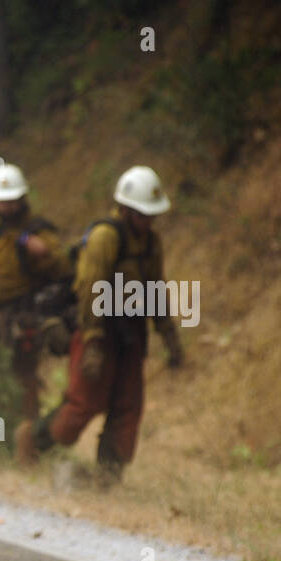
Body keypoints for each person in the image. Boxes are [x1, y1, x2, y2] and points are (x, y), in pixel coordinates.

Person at [19, 165, 184, 482]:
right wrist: (92, 341)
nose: (148, 221)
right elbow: (90, 289)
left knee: (128, 406)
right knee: (83, 404)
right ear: (125, 209)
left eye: (152, 215)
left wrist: (170, 337)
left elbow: (156, 290)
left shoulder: (151, 242)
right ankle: (33, 445)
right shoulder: (105, 237)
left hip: (131, 335)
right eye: (142, 214)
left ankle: (107, 477)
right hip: (98, 329)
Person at [0, 163, 70, 433]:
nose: (6, 207)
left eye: (11, 201)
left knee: (24, 375)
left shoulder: (36, 229)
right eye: (1, 201)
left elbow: (62, 265)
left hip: (24, 314)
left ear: (21, 199)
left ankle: (28, 436)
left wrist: (43, 252)